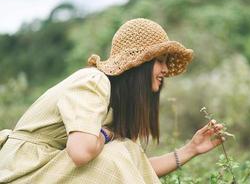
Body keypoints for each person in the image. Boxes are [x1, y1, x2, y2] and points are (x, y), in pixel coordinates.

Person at [0, 18, 224, 183]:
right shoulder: (94, 81)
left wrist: (191, 149)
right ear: (139, 64)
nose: (165, 69)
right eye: (160, 61)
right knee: (114, 154)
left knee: (122, 151)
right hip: (21, 171)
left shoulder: (116, 104)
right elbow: (81, 152)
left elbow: (135, 167)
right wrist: (108, 133)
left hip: (44, 169)